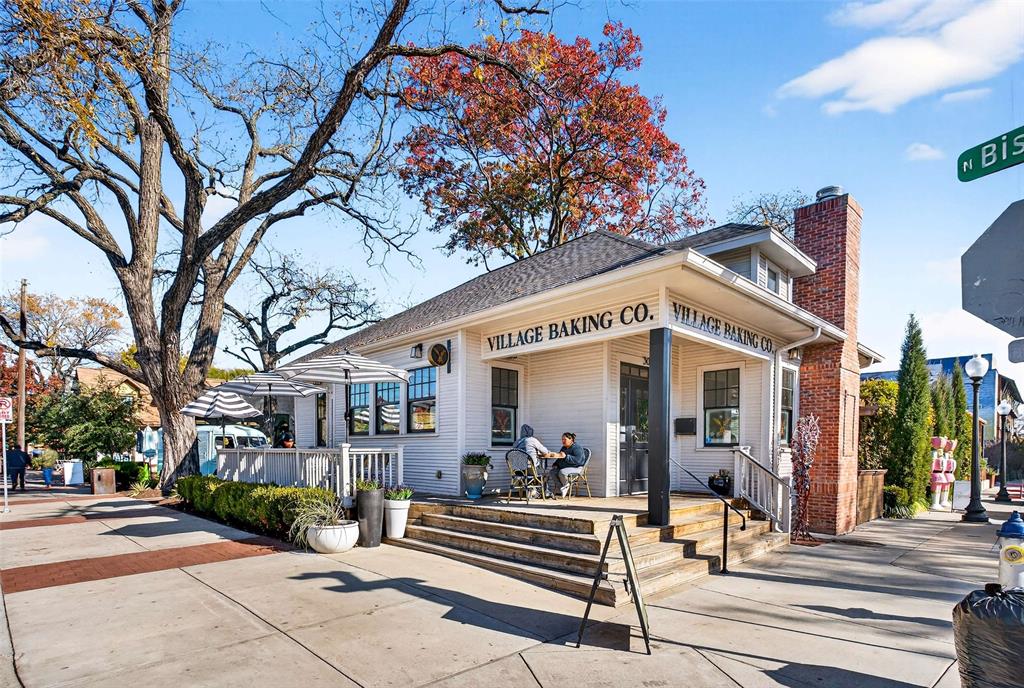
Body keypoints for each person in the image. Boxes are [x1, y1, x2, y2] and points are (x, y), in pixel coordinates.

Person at [545, 432, 587, 498]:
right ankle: (562, 487)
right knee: (552, 472)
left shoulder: (577, 448)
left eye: (565, 439)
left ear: (571, 440)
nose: (563, 441)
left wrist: (566, 457)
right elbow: (560, 457)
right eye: (562, 439)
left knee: (562, 472)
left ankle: (565, 486)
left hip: (577, 467)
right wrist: (556, 464)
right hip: (566, 467)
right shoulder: (564, 448)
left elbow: (578, 460)